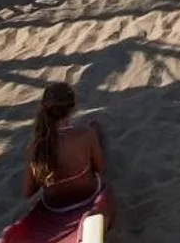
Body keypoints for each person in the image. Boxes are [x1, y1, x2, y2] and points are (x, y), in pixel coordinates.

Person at [21, 81, 113, 222]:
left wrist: (47, 174)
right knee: (95, 130)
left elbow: (28, 192)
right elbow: (100, 169)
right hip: (88, 194)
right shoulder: (85, 134)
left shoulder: (36, 145)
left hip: (54, 205)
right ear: (72, 108)